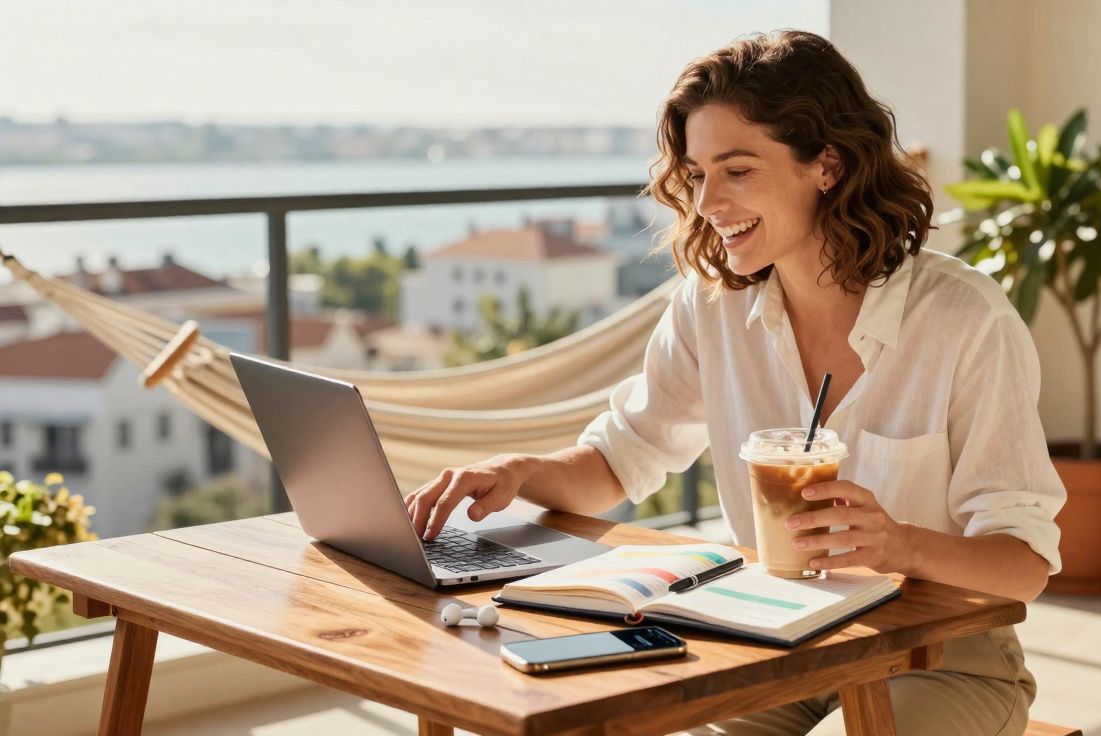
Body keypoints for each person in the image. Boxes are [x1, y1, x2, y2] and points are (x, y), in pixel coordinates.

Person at [405, 29, 1065, 736]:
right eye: (696, 175)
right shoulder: (711, 307)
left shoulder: (965, 320)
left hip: (940, 658)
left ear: (829, 164)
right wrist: (518, 471)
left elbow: (1024, 563)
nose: (707, 202)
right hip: (776, 642)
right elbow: (619, 460)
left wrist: (900, 545)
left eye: (738, 170)